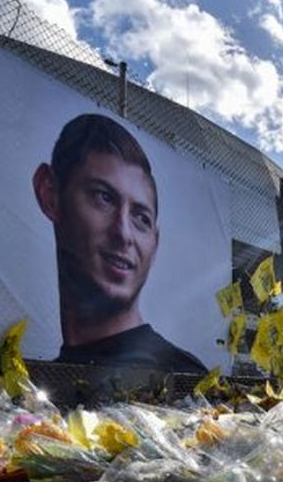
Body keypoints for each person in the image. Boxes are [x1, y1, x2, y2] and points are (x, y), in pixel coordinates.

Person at [33, 113, 206, 374]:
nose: (123, 233)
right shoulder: (38, 380)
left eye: (141, 218)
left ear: (155, 244)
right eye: (103, 197)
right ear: (50, 194)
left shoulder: (182, 375)